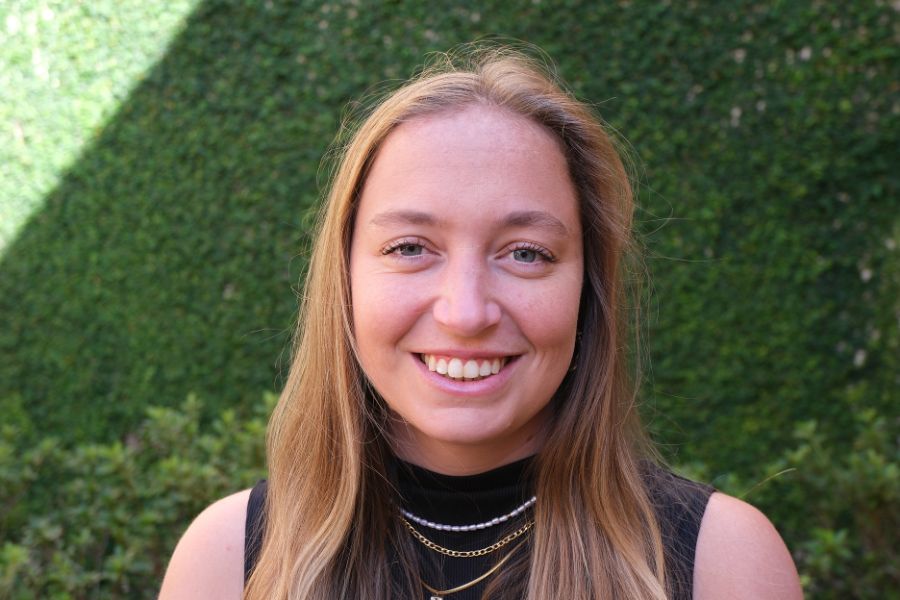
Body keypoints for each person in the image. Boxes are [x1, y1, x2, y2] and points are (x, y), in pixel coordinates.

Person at [159, 46, 802, 600]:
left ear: (588, 289)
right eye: (411, 247)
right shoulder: (226, 564)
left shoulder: (721, 564)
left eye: (525, 253)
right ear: (344, 279)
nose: (465, 313)